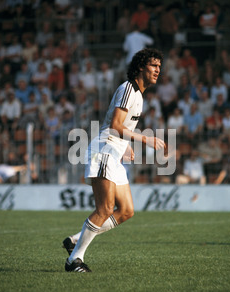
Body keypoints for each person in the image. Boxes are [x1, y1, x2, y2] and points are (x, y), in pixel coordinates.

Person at [63, 48, 165, 272]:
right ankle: (74, 260)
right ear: (141, 67)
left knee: (126, 210)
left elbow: (121, 127)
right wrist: (143, 139)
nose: (158, 70)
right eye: (153, 65)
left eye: (159, 66)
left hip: (115, 153)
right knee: (105, 208)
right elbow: (115, 126)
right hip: (104, 151)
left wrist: (126, 145)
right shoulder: (129, 88)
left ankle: (75, 241)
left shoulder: (138, 95)